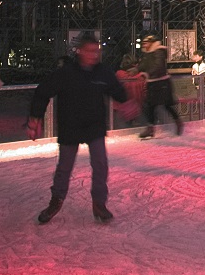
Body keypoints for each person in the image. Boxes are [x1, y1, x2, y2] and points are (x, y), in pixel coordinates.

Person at [26, 34, 138, 223]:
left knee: (100, 164)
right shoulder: (66, 73)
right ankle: (56, 200)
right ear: (80, 52)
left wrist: (126, 103)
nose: (94, 55)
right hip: (71, 126)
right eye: (90, 51)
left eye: (97, 51)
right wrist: (34, 119)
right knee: (64, 167)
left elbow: (116, 91)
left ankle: (99, 204)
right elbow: (42, 91)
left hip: (94, 126)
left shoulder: (103, 72)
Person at [137, 34, 183, 139]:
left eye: (146, 43)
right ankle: (150, 128)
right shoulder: (147, 54)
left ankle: (178, 122)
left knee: (167, 105)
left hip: (162, 83)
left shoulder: (159, 52)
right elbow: (143, 65)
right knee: (150, 106)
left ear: (152, 43)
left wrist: (147, 73)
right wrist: (136, 69)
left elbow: (159, 66)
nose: (144, 45)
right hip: (152, 83)